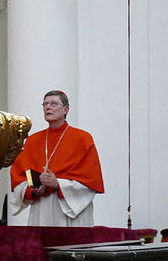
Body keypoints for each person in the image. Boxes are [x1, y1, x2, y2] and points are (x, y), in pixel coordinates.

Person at [9, 90, 104, 226]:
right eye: (45, 104)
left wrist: (58, 184)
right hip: (42, 207)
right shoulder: (32, 141)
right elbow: (19, 176)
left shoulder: (82, 139)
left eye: (53, 104)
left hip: (70, 208)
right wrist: (33, 189)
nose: (48, 107)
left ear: (66, 109)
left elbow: (90, 182)